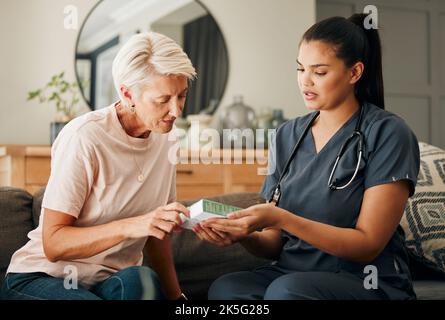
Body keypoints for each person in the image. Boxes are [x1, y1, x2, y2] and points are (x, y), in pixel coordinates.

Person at [194, 14, 420, 300]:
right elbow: (274, 244)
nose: (305, 81)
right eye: (300, 69)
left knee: (286, 292)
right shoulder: (286, 136)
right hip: (293, 274)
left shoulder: (388, 133)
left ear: (354, 73)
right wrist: (244, 235)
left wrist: (284, 219)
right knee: (228, 288)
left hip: (365, 279)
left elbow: (368, 244)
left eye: (320, 72)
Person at [1, 32, 196, 300]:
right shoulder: (85, 137)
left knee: (142, 280)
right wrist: (132, 225)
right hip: (44, 277)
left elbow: (156, 232)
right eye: (162, 100)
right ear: (128, 94)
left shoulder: (167, 140)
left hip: (110, 282)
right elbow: (54, 244)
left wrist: (177, 297)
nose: (176, 111)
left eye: (182, 96)